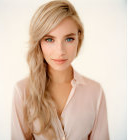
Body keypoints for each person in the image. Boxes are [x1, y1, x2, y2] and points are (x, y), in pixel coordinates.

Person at [11, 0, 110, 140]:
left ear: (78, 39)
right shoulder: (22, 91)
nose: (60, 51)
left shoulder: (95, 92)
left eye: (69, 39)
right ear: (38, 42)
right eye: (49, 40)